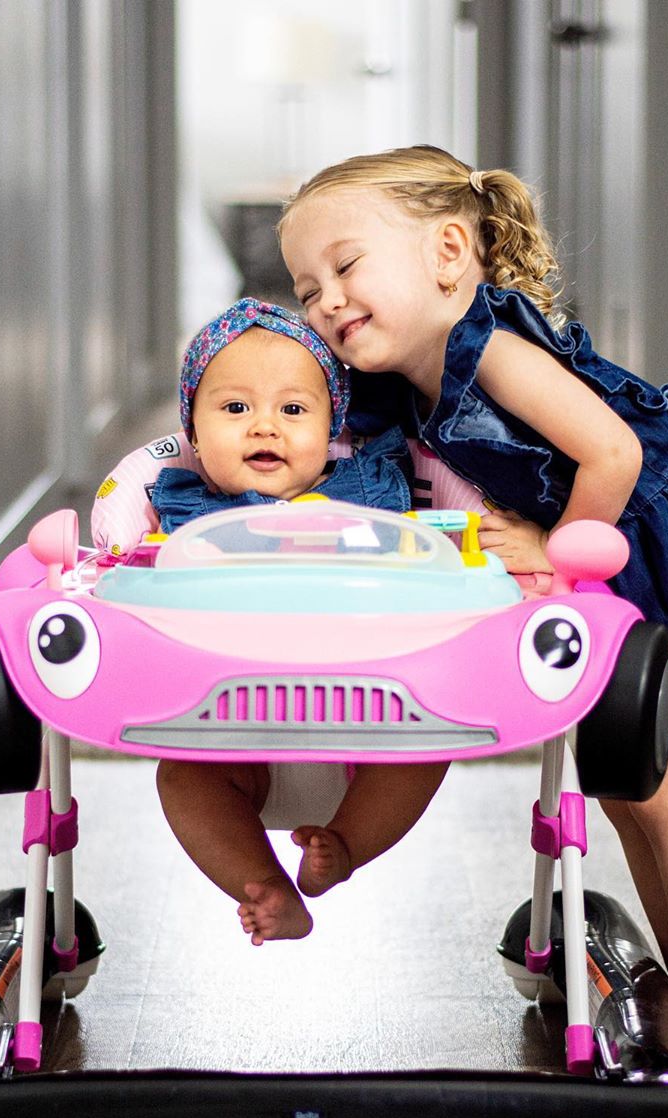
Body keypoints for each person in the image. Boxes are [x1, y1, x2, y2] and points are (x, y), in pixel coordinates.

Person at [278, 145, 668, 1064]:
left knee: (667, 792)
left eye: (347, 265)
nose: (326, 297)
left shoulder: (490, 347)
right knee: (624, 791)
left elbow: (613, 456)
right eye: (306, 285)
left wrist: (558, 559)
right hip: (630, 547)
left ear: (449, 253)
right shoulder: (410, 378)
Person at [94, 298, 449, 946]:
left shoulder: (378, 494)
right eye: (235, 409)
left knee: (431, 746)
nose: (265, 427)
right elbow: (121, 578)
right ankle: (268, 887)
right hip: (227, 734)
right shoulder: (174, 510)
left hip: (369, 728)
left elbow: (436, 572)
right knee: (179, 778)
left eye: (292, 410)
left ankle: (342, 849)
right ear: (195, 435)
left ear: (331, 427)